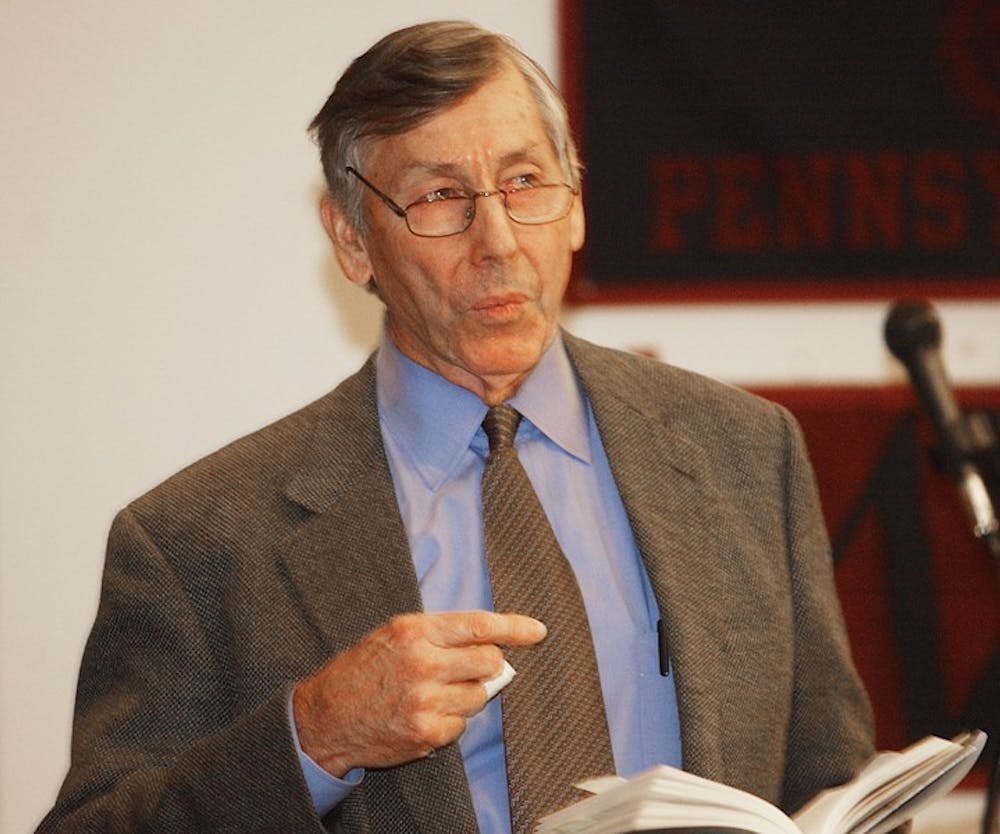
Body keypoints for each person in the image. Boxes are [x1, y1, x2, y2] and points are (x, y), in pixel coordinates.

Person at [37, 20, 876, 834]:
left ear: (576, 203)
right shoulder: (197, 542)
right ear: (353, 239)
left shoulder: (745, 451)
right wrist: (313, 738)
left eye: (525, 183)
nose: (499, 240)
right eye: (441, 198)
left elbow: (830, 784)